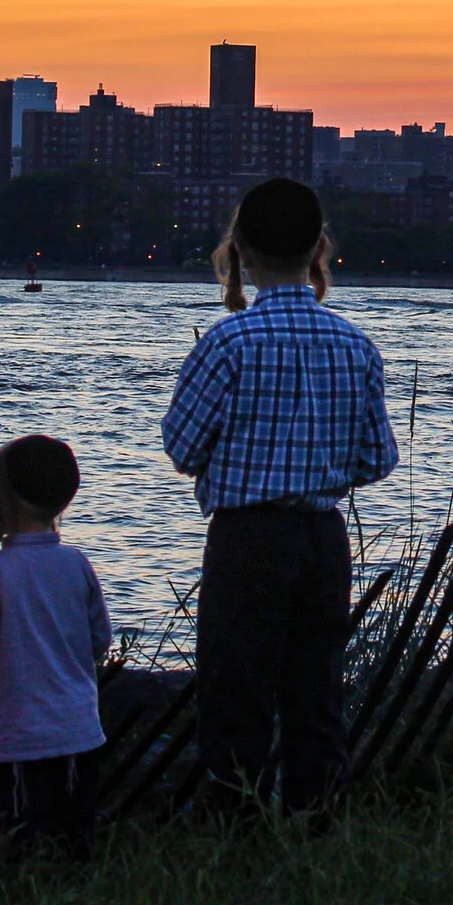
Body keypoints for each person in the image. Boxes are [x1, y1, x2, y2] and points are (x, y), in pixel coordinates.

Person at [160, 177, 398, 816]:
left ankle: (237, 827)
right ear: (320, 248)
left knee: (235, 692)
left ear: (239, 250)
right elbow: (378, 459)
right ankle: (317, 821)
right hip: (324, 539)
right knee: (315, 693)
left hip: (247, 537)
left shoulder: (228, 342)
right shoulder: (356, 345)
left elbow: (182, 447)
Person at [0, 434, 111, 861]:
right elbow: (99, 640)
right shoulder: (76, 564)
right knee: (76, 835)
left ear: (1, 500)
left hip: (18, 736)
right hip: (80, 731)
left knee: (26, 833)